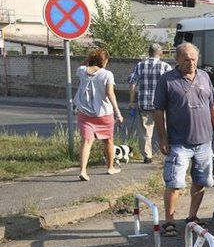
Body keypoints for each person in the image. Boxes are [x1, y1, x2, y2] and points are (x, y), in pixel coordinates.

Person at [153, 42, 214, 237]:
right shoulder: (167, 80)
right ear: (177, 60)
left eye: (194, 59)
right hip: (178, 143)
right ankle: (169, 221)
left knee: (201, 181)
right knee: (174, 183)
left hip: (204, 142)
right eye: (186, 59)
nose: (191, 63)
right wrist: (163, 138)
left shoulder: (204, 77)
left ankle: (192, 217)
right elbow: (158, 111)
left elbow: (213, 106)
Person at [73, 47, 124, 181]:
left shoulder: (82, 71)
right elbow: (110, 93)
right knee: (108, 141)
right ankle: (110, 167)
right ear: (105, 60)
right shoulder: (107, 74)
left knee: (86, 141)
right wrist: (118, 113)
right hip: (103, 114)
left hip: (84, 113)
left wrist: (90, 58)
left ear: (91, 59)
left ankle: (83, 171)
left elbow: (81, 65)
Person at [127, 42, 172, 163]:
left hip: (144, 103)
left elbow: (132, 83)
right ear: (160, 53)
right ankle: (168, 153)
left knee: (145, 131)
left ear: (149, 52)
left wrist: (132, 100)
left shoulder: (140, 65)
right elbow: (172, 85)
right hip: (161, 104)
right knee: (165, 128)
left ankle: (147, 156)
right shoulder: (166, 66)